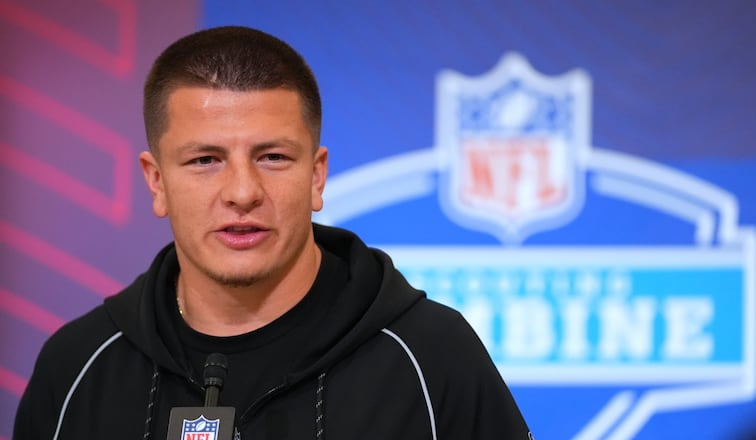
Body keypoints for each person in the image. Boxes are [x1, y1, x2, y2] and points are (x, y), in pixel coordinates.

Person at [13, 25, 532, 439]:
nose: (243, 191)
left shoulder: (433, 357)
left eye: (273, 157)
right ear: (156, 182)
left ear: (316, 175)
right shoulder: (77, 366)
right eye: (204, 160)